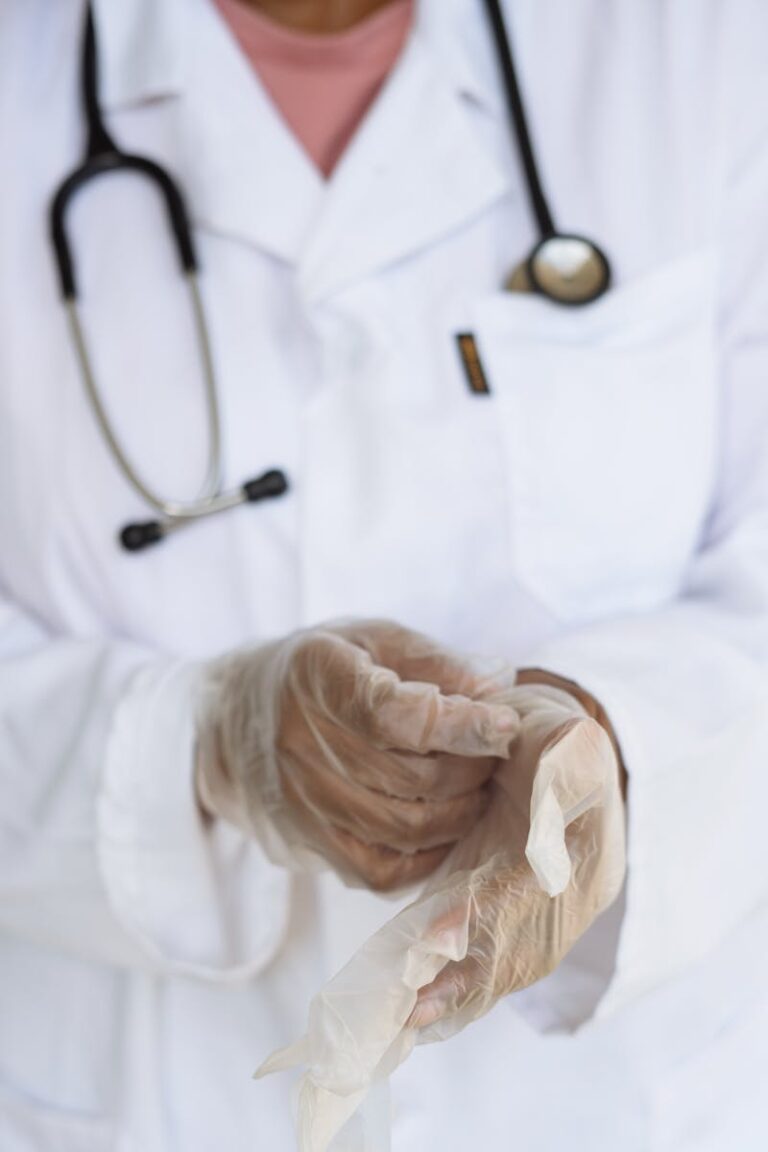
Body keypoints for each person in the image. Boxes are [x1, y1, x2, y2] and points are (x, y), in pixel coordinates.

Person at [1, 0, 766, 1149]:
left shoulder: (701, 46)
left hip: (615, 1104)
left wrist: (611, 735)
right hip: (140, 1099)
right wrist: (203, 742)